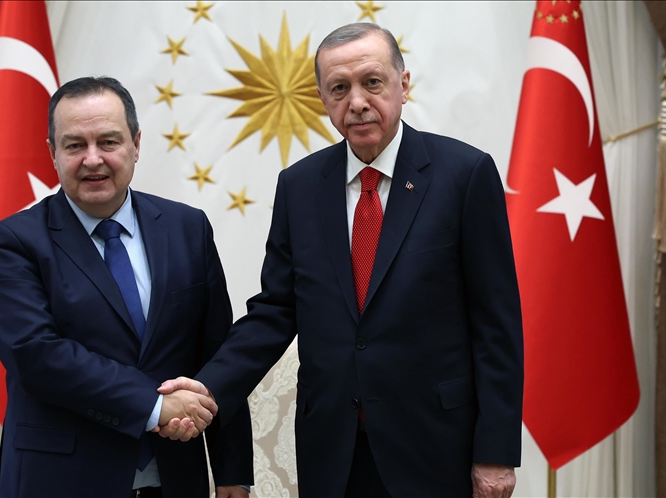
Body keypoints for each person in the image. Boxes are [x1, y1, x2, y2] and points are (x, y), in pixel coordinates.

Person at [159, 23, 523, 497]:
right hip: (333, 452)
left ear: (403, 84)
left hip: (435, 448)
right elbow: (275, 311)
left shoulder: (464, 174)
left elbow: (496, 323)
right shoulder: (299, 187)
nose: (357, 102)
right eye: (339, 88)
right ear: (322, 99)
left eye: (372, 82)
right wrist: (208, 388)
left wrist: (495, 451)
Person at [0, 76, 253, 498]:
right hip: (62, 480)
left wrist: (231, 470)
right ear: (52, 153)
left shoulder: (187, 227)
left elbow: (214, 352)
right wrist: (155, 405)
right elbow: (35, 355)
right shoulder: (13, 241)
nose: (93, 159)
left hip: (176, 478)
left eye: (108, 142)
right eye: (75, 145)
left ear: (136, 144)